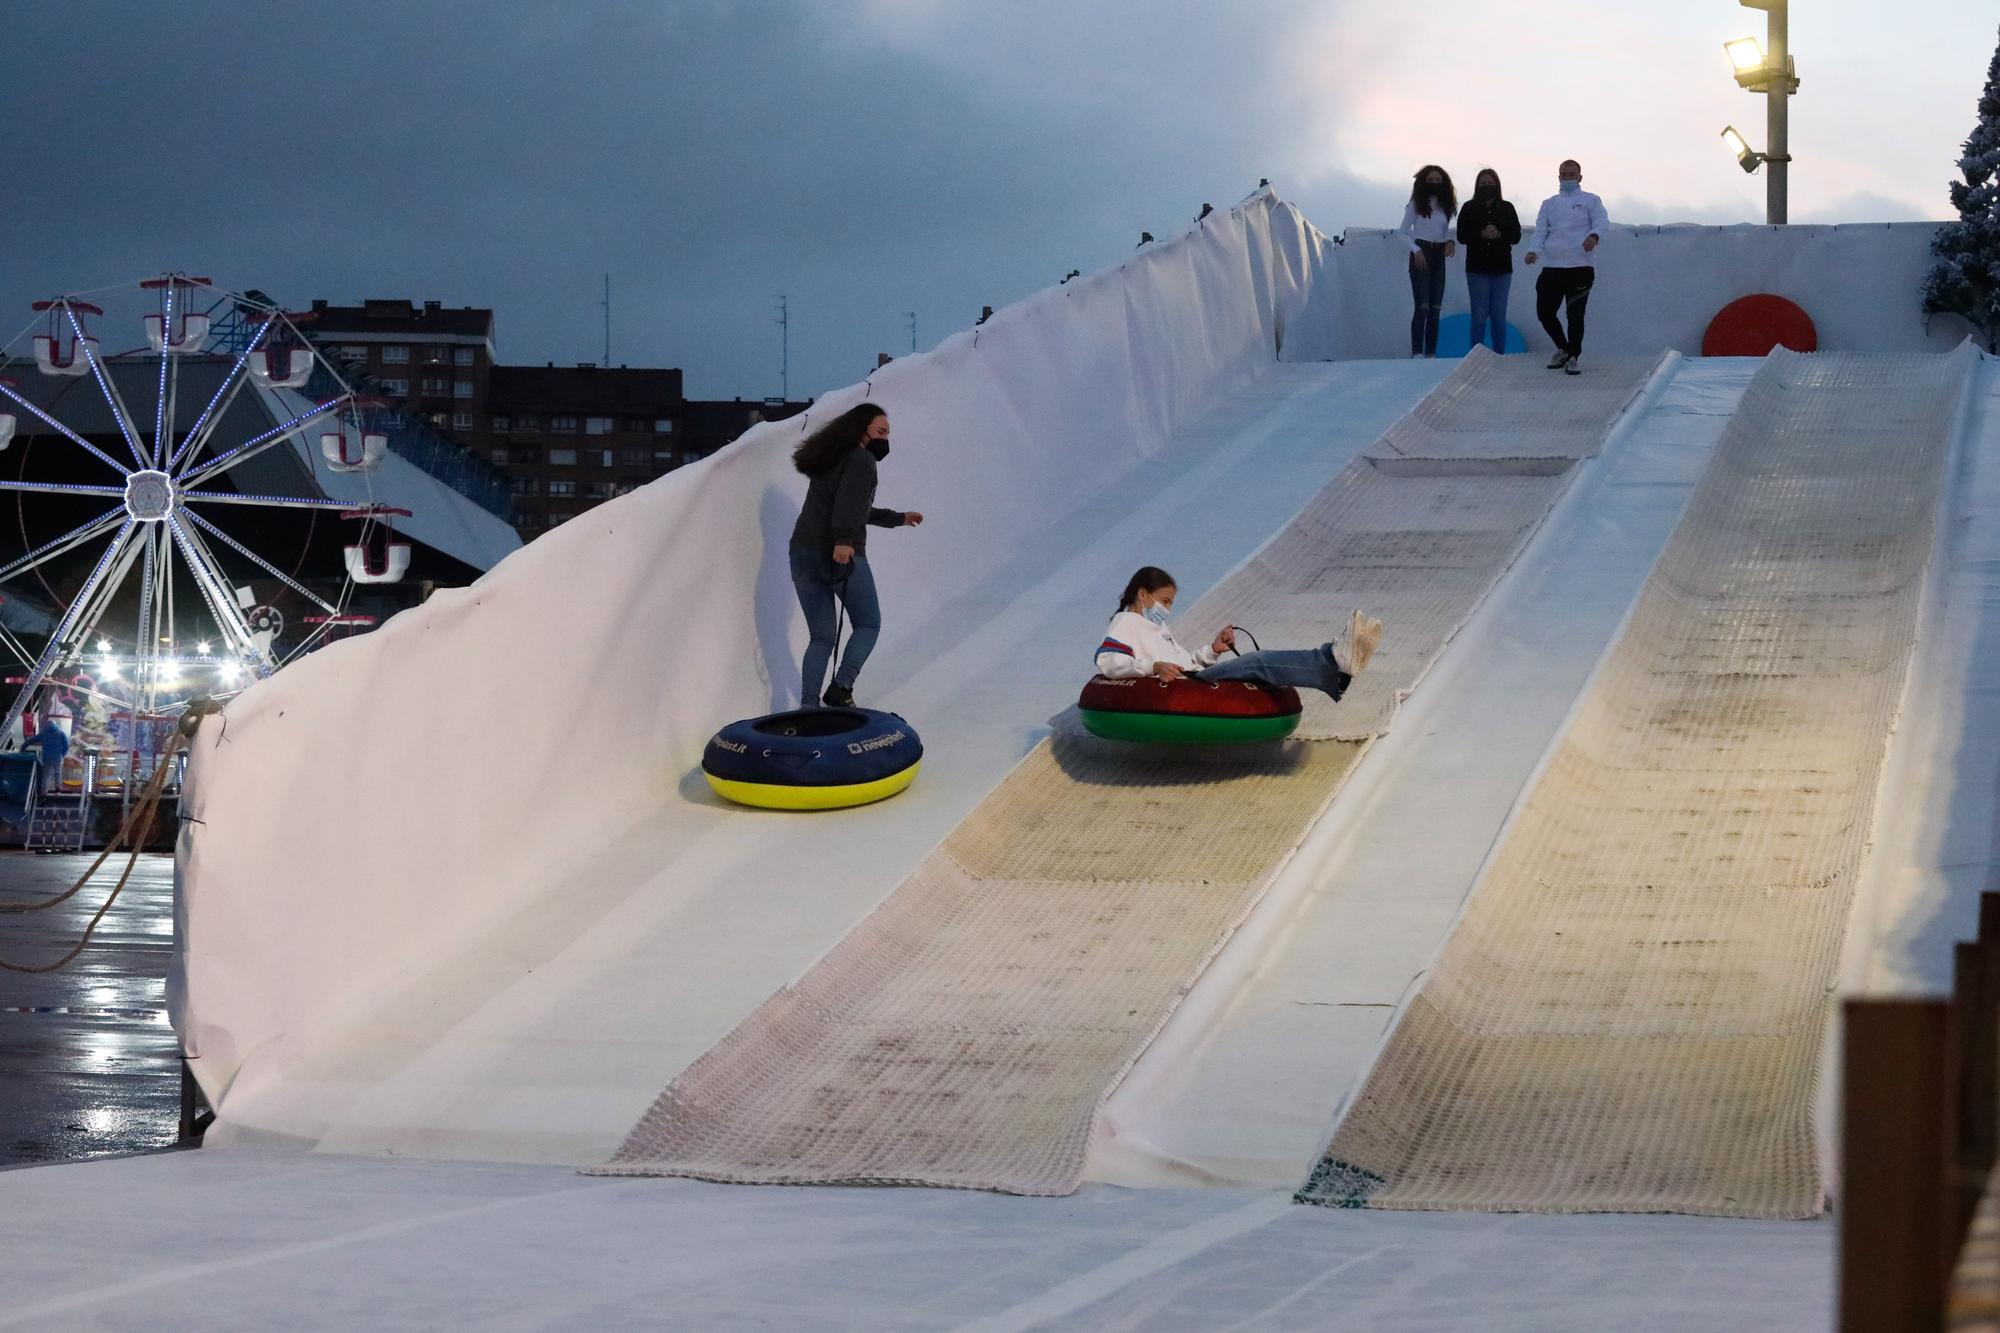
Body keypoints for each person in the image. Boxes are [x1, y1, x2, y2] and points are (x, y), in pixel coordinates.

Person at [789, 402, 923, 708]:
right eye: (881, 431)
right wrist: (844, 541)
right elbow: (849, 506)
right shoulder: (860, 459)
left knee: (821, 637)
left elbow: (852, 506)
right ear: (861, 429)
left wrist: (898, 518)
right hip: (837, 551)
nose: (886, 438)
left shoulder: (831, 460)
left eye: (888, 433)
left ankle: (808, 708)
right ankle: (841, 686)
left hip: (801, 553)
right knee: (868, 623)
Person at [1095, 566, 1383, 699]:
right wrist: (1153, 666)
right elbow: (1108, 663)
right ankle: (1331, 661)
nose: (1168, 609)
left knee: (1261, 666)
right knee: (1258, 662)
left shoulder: (1157, 627)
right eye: (1165, 601)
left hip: (1191, 679)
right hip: (1184, 688)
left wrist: (1213, 650)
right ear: (1143, 594)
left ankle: (1335, 673)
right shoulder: (1126, 623)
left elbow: (1188, 665)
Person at [1523, 159, 1609, 376]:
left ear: (1579, 177)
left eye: (1572, 174)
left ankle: (1574, 357)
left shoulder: (1591, 200)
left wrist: (1594, 236)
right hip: (1552, 267)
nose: (1568, 177)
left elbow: (1601, 222)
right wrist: (1534, 251)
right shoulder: (1549, 204)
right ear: (1558, 177)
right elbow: (1541, 231)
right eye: (1564, 174)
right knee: (1544, 312)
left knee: (1575, 314)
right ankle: (1563, 348)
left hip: (1580, 266)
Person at [1456, 168, 1522, 354]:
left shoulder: (1507, 207)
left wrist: (1499, 234)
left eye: (1490, 183)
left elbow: (1515, 236)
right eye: (1483, 183)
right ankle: (1476, 355)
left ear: (1497, 185)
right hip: (1477, 269)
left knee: (1498, 315)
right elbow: (1461, 235)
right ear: (1477, 186)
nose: (1487, 186)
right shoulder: (1469, 208)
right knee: (1478, 315)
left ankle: (1499, 355)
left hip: (1502, 269)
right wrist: (1481, 234)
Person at [1397, 165, 1458, 359]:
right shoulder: (1416, 204)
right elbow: (1402, 233)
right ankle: (1417, 352)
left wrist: (1449, 243)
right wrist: (1416, 250)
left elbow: (1443, 233)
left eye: (1438, 180)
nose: (1434, 183)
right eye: (1430, 180)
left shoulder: (1445, 206)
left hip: (1438, 255)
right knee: (1422, 306)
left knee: (1435, 308)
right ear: (1423, 182)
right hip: (1421, 253)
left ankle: (1431, 353)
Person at [22, 716, 68, 795]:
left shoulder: (43, 734)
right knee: (58, 773)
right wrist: (62, 755)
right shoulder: (61, 733)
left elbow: (31, 740)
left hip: (47, 757)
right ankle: (58, 790)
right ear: (56, 725)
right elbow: (66, 746)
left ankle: (44, 792)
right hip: (57, 757)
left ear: (47, 726)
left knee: (46, 775)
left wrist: (23, 747)